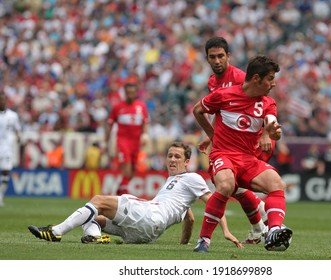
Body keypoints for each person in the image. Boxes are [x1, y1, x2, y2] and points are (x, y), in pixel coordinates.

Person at [28, 142, 242, 247]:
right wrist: (183, 245)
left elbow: (215, 203)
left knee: (98, 200)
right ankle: (94, 237)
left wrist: (225, 230)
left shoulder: (192, 178)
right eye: (169, 156)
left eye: (177, 156)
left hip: (151, 216)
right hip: (145, 234)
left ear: (187, 162)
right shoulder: (173, 183)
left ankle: (56, 231)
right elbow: (190, 217)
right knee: (94, 216)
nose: (172, 160)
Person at [192, 54, 293, 252]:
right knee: (226, 185)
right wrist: (212, 135)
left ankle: (272, 230)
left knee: (277, 184)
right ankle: (204, 240)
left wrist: (269, 133)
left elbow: (273, 126)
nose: (273, 84)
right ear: (256, 78)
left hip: (247, 159)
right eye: (270, 78)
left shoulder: (267, 103)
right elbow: (197, 110)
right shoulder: (224, 95)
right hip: (223, 155)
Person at [199, 36, 274, 244]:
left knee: (231, 184)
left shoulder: (241, 78)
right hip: (230, 141)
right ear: (207, 59)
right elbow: (220, 112)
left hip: (251, 141)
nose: (217, 61)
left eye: (220, 56)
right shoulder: (213, 82)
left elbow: (265, 104)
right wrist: (210, 136)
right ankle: (259, 225)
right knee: (230, 185)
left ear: (228, 56)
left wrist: (266, 133)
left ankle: (261, 219)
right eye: (212, 57)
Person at [105, 77, 149, 195]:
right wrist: (106, 141)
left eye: (132, 93)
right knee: (127, 166)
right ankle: (125, 196)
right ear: (125, 93)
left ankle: (119, 191)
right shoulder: (118, 107)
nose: (130, 95)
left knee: (133, 171)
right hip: (123, 141)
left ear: (136, 93)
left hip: (136, 141)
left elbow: (145, 122)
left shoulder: (141, 106)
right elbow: (109, 124)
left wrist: (145, 134)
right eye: (128, 93)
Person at [0, 92, 21, 207]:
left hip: (6, 149)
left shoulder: (12, 116)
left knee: (5, 172)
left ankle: (0, 196)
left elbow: (17, 129)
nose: (2, 102)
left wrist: (18, 137)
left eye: (3, 100)